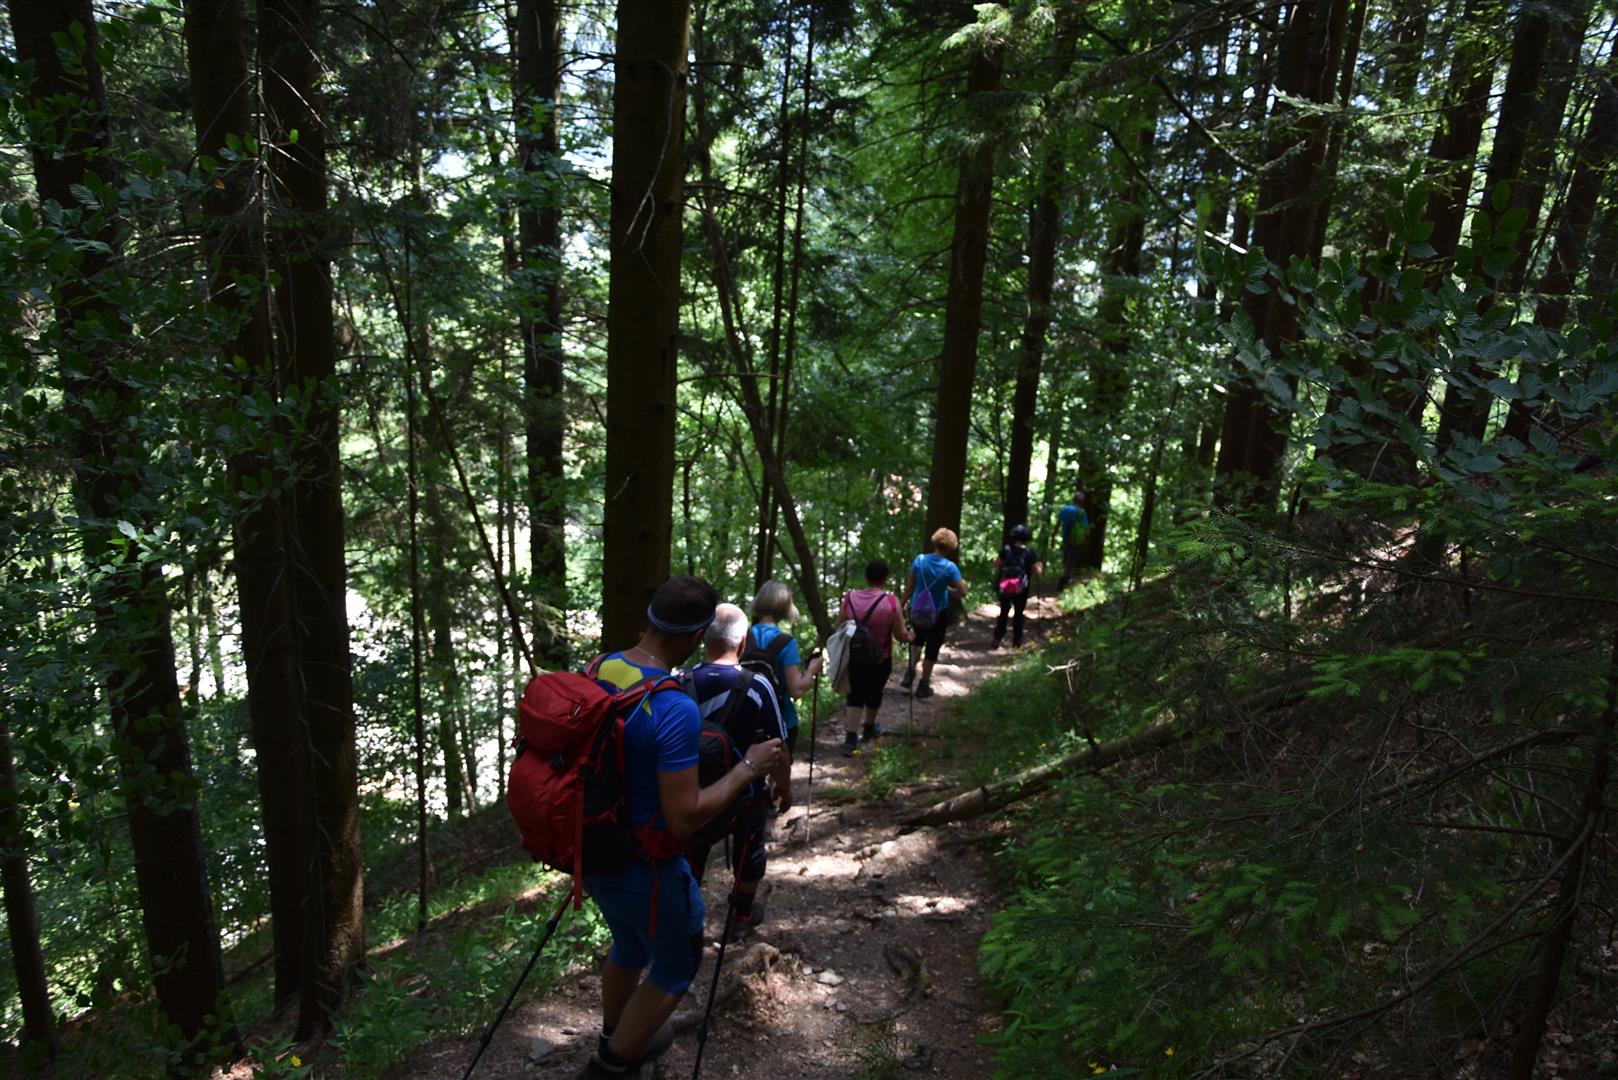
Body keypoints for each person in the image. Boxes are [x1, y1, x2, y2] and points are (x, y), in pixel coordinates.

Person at [578, 577, 785, 1080]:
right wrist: (748, 769)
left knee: (630, 946)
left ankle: (616, 1035)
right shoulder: (673, 707)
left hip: (594, 850)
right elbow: (685, 815)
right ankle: (610, 1065)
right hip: (646, 865)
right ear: (696, 637)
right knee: (676, 965)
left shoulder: (600, 668)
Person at [683, 603, 790, 937]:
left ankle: (685, 918)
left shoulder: (680, 681)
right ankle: (741, 914)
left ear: (703, 638)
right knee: (750, 846)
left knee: (691, 849)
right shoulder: (758, 686)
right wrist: (784, 787)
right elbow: (778, 746)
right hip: (745, 790)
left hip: (693, 790)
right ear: (743, 642)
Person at [836, 559, 912, 756]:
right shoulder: (891, 601)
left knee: (854, 694)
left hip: (854, 655)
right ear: (885, 578)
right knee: (875, 692)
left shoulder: (850, 598)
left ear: (866, 576)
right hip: (881, 657)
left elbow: (839, 627)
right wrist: (910, 636)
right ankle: (869, 727)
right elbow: (900, 634)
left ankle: (850, 738)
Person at [747, 580, 824, 753]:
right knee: (779, 769)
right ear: (785, 608)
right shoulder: (786, 643)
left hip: (747, 718)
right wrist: (812, 669)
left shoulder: (743, 637)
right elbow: (797, 690)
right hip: (781, 720)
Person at [900, 527, 967, 700]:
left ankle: (910, 671)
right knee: (932, 647)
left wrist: (900, 604)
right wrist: (948, 589)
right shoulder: (950, 568)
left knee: (917, 640)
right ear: (951, 547)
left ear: (935, 542)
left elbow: (910, 586)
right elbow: (963, 592)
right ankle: (923, 685)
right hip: (938, 613)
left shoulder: (920, 560)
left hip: (917, 609)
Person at [992, 524, 1043, 649]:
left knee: (1004, 612)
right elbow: (1037, 573)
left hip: (1005, 586)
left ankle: (997, 638)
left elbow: (996, 563)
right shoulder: (1030, 553)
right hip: (1021, 588)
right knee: (1018, 614)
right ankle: (1016, 642)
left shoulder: (1006, 549)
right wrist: (1040, 566)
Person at [1057, 491, 1089, 589]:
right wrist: (1086, 540)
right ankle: (1064, 580)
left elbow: (1058, 523)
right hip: (1076, 540)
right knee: (1071, 560)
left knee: (1066, 558)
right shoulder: (1082, 512)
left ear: (1073, 499)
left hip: (1066, 537)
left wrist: (1054, 536)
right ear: (1081, 501)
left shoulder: (1065, 509)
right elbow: (1085, 528)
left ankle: (1065, 578)